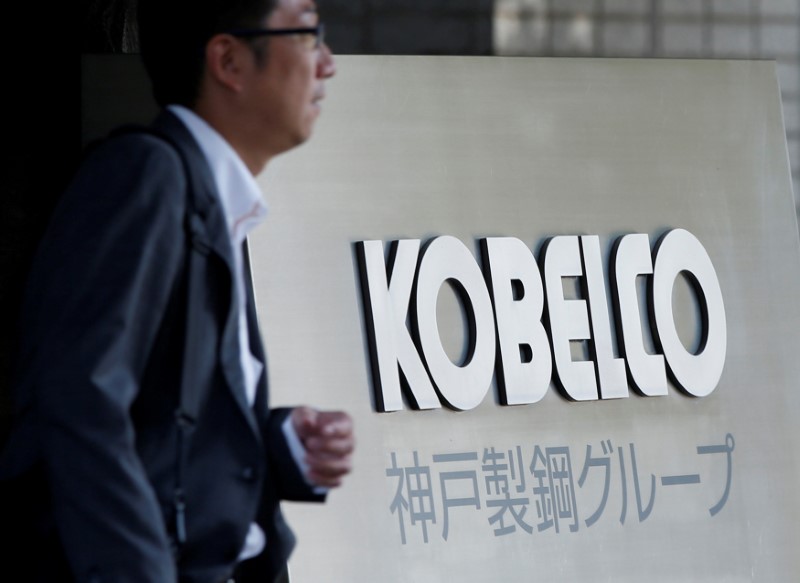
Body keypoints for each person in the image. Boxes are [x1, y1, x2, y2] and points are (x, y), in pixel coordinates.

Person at [0, 0, 354, 581]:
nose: (328, 63)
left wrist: (279, 444)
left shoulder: (212, 198)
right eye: (308, 33)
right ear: (229, 62)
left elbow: (162, 429)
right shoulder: (147, 176)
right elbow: (80, 403)